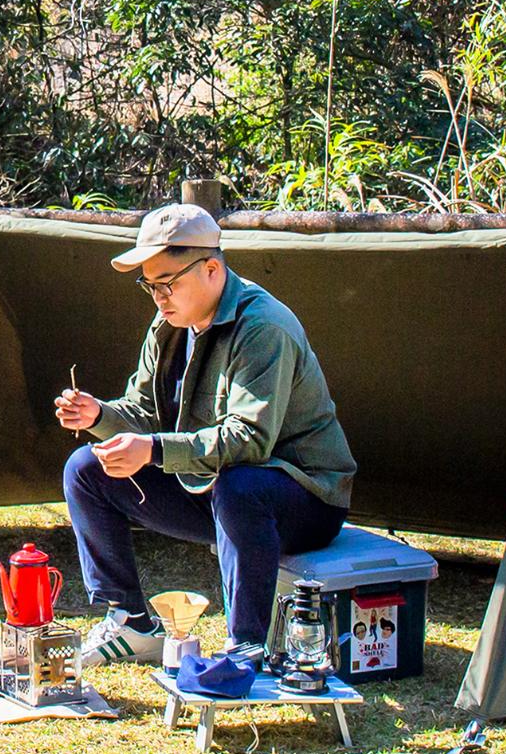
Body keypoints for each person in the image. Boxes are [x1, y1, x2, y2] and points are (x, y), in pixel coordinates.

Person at [55, 202, 356, 670]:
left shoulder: (263, 327)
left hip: (305, 498)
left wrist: (152, 449)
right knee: (87, 469)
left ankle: (246, 648)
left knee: (241, 485)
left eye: (168, 283)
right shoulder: (169, 326)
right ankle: (132, 622)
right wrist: (97, 415)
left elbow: (249, 440)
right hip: (213, 484)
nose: (158, 297)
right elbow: (143, 413)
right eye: (149, 285)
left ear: (212, 269)